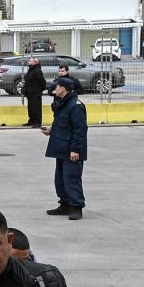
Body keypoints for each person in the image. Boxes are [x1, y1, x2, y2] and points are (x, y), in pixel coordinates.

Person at [43, 76, 88, 220]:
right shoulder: (62, 103)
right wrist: (52, 129)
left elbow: (80, 130)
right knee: (60, 179)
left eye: (56, 87)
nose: (54, 89)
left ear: (63, 88)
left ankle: (76, 207)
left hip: (71, 150)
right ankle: (65, 204)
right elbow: (62, 123)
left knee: (72, 179)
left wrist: (75, 149)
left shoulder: (75, 105)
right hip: (61, 147)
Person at [21, 56, 47, 129]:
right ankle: (31, 121)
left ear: (35, 63)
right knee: (31, 108)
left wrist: (39, 90)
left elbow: (42, 82)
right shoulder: (31, 69)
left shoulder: (37, 71)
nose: (28, 62)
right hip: (30, 92)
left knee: (36, 108)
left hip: (35, 93)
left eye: (30, 61)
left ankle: (37, 122)